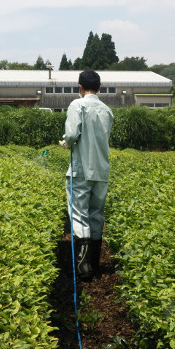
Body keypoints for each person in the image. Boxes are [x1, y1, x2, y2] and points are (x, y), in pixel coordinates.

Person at [59, 69, 114, 280]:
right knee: (96, 214)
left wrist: (67, 142)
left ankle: (83, 268)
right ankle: (94, 264)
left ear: (79, 87)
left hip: (81, 168)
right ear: (99, 88)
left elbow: (73, 134)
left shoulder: (77, 105)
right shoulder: (107, 110)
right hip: (101, 170)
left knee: (79, 214)